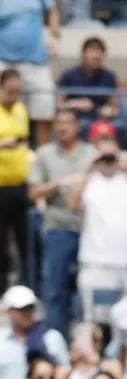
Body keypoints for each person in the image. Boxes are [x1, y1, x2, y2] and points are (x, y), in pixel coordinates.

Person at [71, 133, 127, 325]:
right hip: (96, 260)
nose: (108, 161)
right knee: (95, 319)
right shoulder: (90, 181)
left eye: (112, 155)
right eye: (104, 156)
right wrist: (88, 170)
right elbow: (73, 204)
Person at [28, 108, 92, 337]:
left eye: (68, 123)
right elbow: (34, 192)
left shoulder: (90, 153)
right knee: (55, 290)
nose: (63, 128)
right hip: (58, 227)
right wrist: (60, 183)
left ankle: (86, 343)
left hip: (90, 230)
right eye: (59, 123)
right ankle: (56, 342)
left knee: (86, 291)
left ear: (77, 127)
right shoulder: (45, 154)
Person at [0, 284, 68, 379]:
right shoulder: (1, 340)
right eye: (21, 309)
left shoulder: (51, 338)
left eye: (30, 308)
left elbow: (64, 373)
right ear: (9, 311)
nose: (27, 313)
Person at [0, 0, 57, 145]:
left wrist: (55, 36)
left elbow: (52, 11)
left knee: (45, 104)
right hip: (2, 59)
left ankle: (43, 156)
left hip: (35, 60)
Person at [0, 68, 31, 293]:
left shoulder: (21, 110)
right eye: (10, 92)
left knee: (25, 240)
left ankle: (27, 287)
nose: (14, 97)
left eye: (18, 92)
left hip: (20, 185)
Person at [56, 35, 118, 137]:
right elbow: (59, 104)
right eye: (92, 51)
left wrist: (107, 111)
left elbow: (115, 109)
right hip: (75, 118)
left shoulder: (109, 77)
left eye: (100, 52)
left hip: (100, 120)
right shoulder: (68, 75)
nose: (96, 56)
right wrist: (74, 104)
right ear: (83, 53)